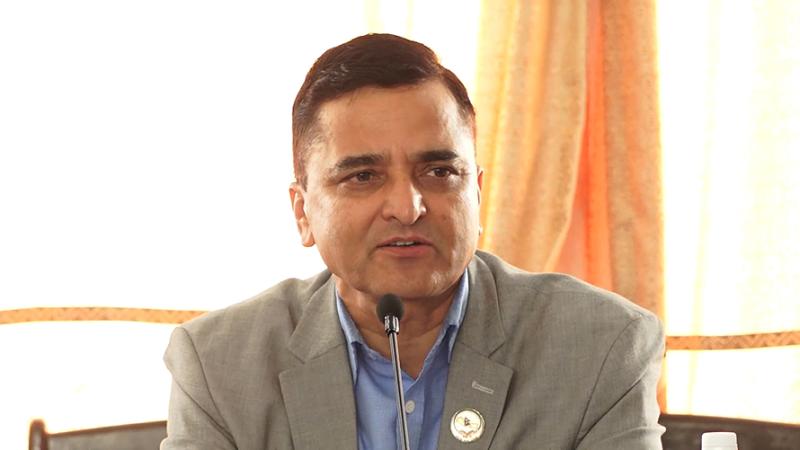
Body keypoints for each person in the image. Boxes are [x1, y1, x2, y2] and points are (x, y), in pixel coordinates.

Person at [161, 33, 665, 450]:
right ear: (303, 212)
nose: (407, 207)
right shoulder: (219, 365)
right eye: (362, 176)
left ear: (477, 194)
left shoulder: (601, 345)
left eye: (439, 171)